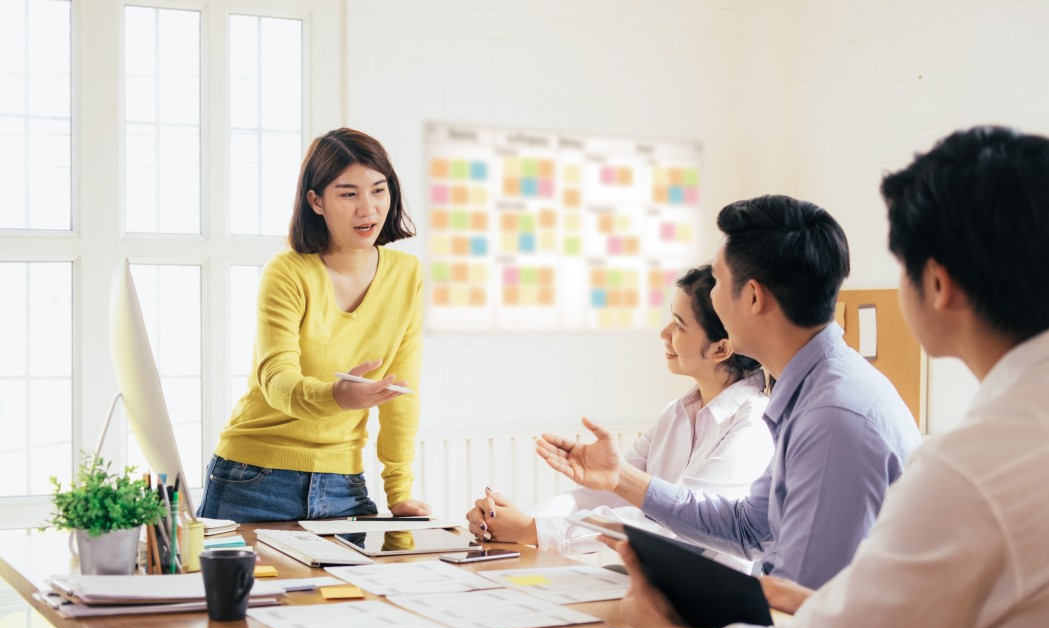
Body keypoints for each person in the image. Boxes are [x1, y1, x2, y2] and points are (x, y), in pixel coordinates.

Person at [607, 126, 1049, 628]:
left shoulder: (879, 432)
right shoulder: (818, 396)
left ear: (936, 283)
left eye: (716, 281)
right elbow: (757, 529)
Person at [538, 195, 921, 588]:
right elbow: (750, 528)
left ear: (753, 297)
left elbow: (803, 606)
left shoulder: (834, 416)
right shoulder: (811, 391)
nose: (713, 294)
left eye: (718, 281)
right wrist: (621, 478)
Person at [465, 265, 773, 565]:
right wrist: (516, 520)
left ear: (721, 349)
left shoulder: (753, 426)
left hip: (709, 604)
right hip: (652, 584)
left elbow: (678, 526)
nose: (664, 333)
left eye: (679, 325)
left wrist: (532, 530)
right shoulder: (676, 414)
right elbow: (608, 494)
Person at [197, 128, 431, 522]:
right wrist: (338, 397)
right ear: (316, 201)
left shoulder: (407, 276)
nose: (368, 209)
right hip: (253, 479)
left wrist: (399, 492)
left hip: (344, 485)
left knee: (367, 587)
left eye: (378, 190)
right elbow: (276, 380)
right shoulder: (288, 272)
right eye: (348, 193)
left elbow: (400, 394)